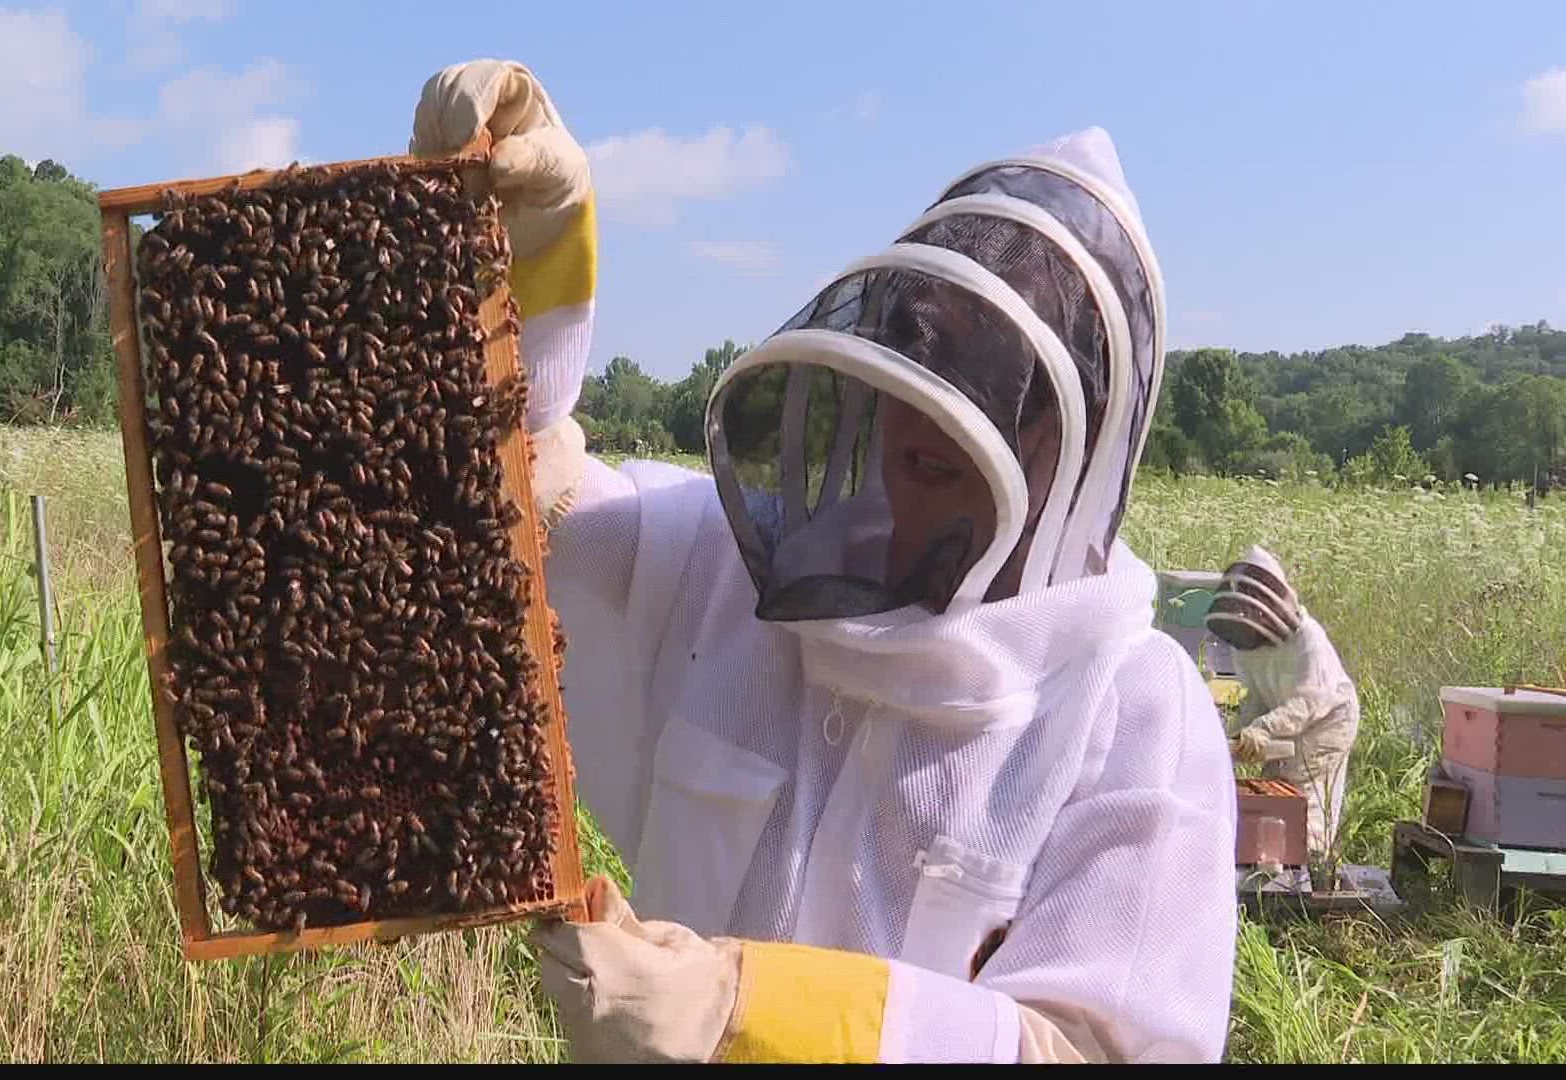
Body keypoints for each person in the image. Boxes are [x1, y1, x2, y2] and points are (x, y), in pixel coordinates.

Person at [410, 59, 1238, 1064]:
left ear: (1087, 432)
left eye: (1001, 377)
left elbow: (1098, 1051)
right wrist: (521, 256)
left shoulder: (1135, 716)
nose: (943, 395)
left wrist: (752, 1012)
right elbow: (507, 495)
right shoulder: (721, 564)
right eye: (927, 345)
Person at [1204, 545, 1360, 866]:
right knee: (1272, 785)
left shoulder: (1308, 639)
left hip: (1329, 718)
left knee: (1304, 791)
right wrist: (1240, 733)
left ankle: (1310, 861)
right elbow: (1257, 697)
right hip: (1287, 715)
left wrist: (1264, 728)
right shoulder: (1245, 643)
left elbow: (1308, 702)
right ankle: (1268, 858)